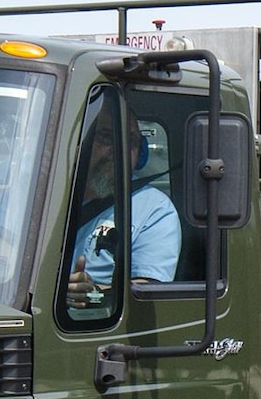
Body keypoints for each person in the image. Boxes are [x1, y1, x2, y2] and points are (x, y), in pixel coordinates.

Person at [65, 113, 182, 309]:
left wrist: (92, 294)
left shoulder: (154, 208)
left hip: (93, 326)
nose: (121, 150)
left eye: (132, 142)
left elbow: (145, 292)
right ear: (81, 144)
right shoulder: (49, 194)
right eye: (107, 138)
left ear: (140, 153)